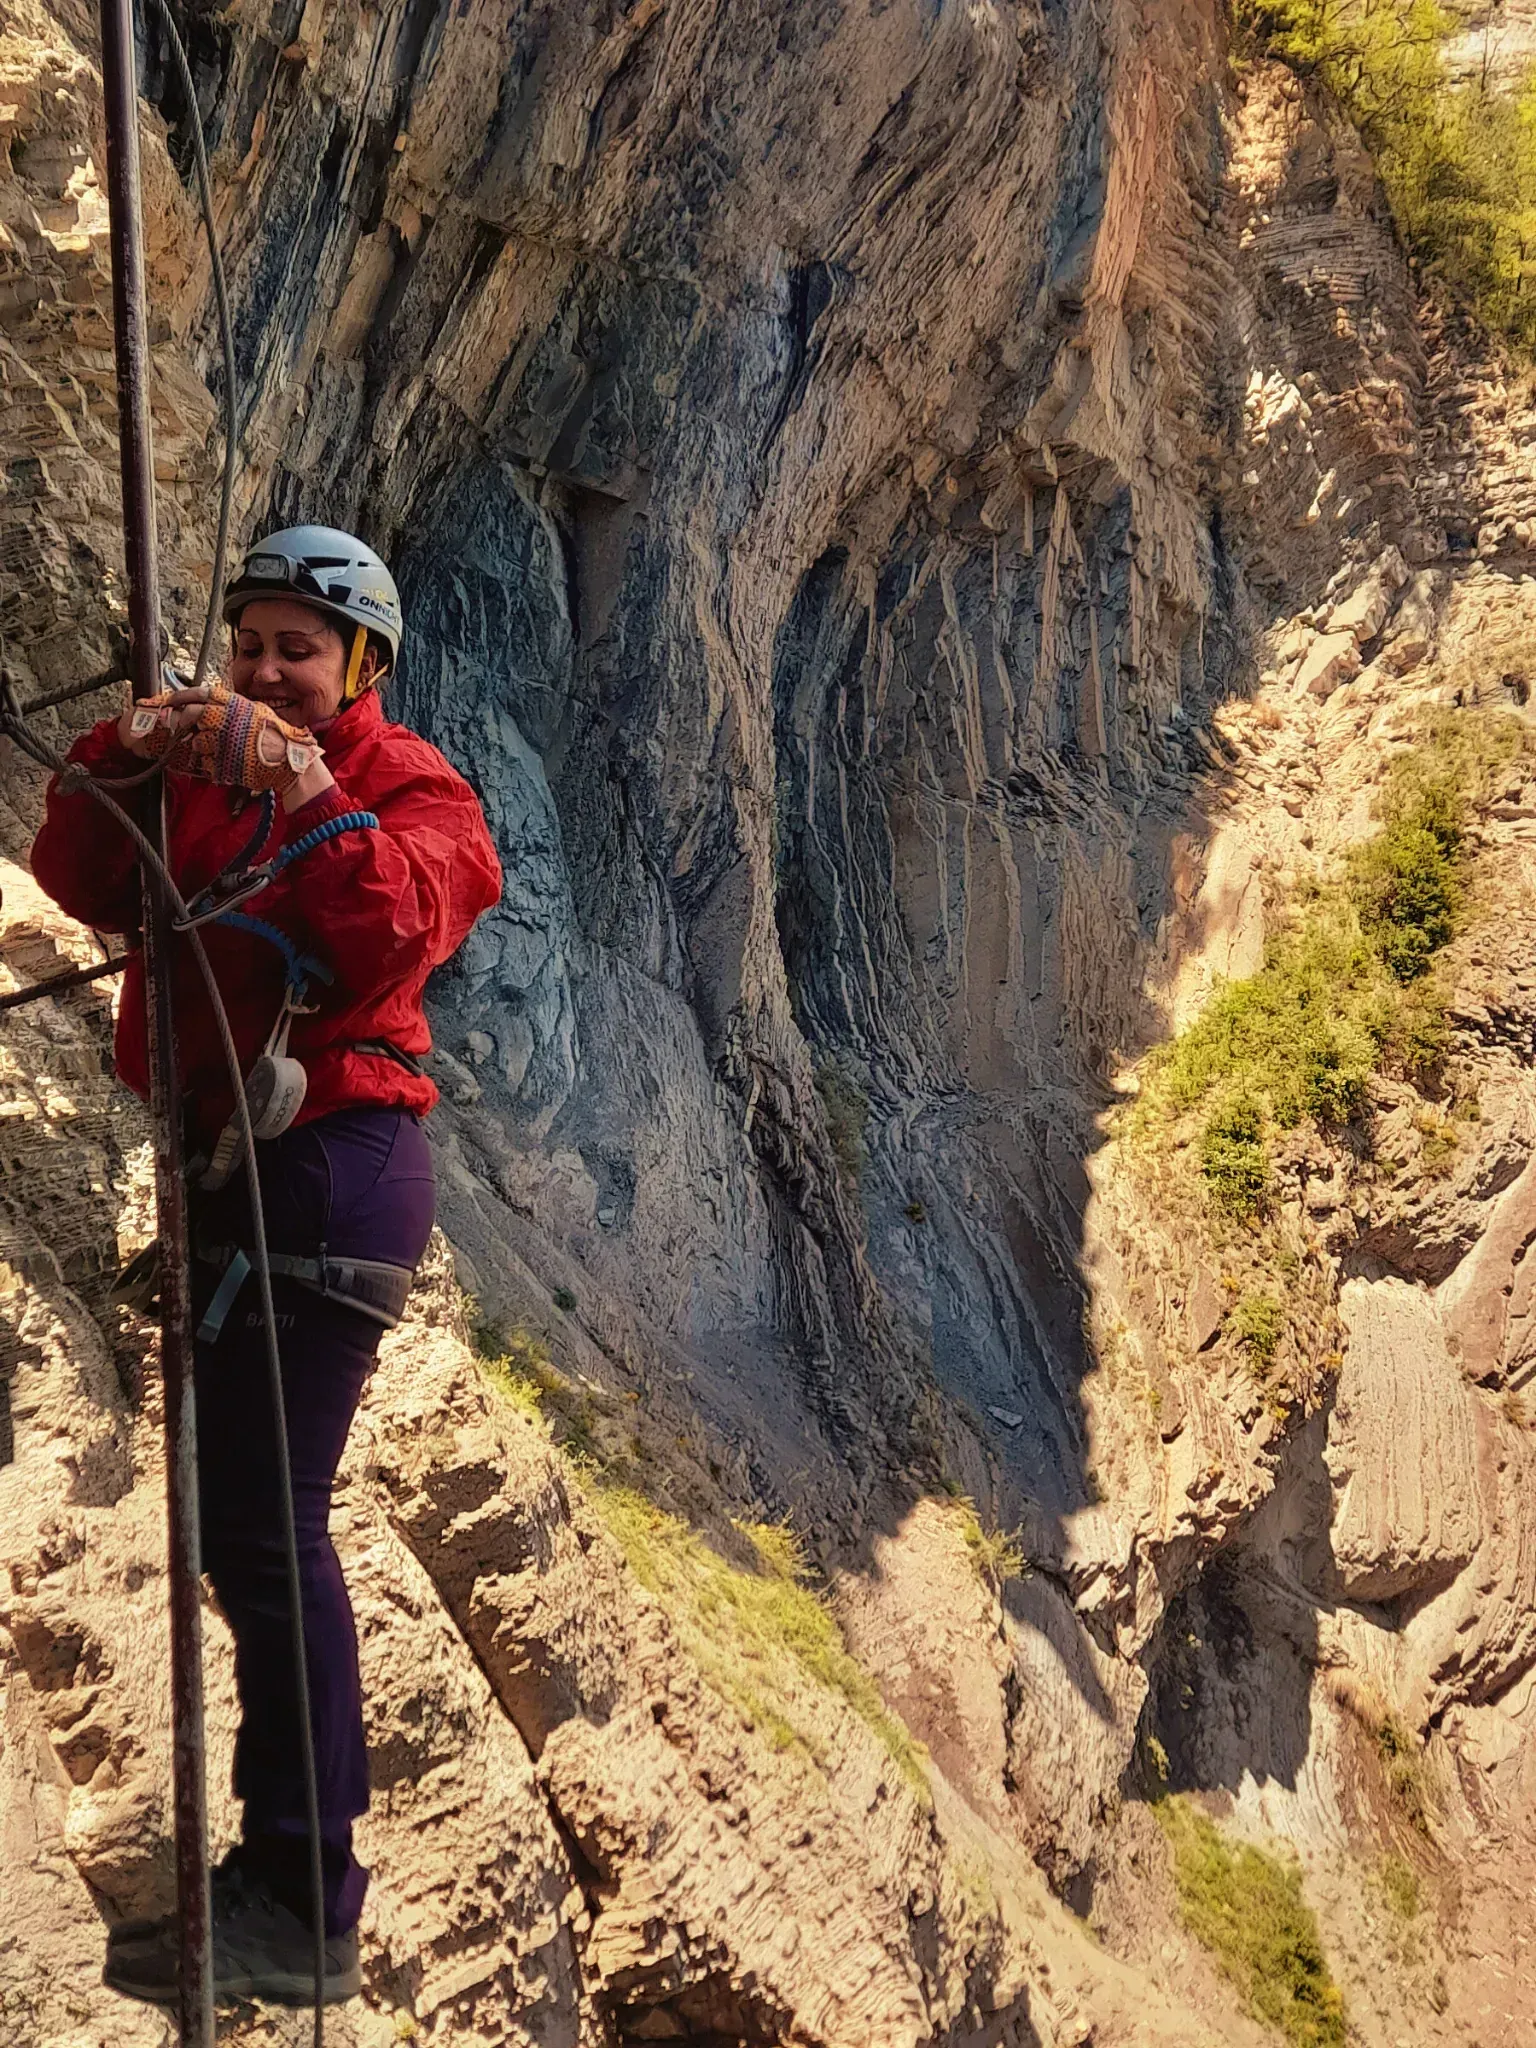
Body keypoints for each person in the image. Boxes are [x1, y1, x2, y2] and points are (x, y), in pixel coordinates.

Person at [30, 525, 502, 2005]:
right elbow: (81, 876)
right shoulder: (202, 775)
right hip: (247, 1162)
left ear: (361, 666)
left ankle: (307, 1896)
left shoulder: (410, 788)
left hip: (334, 1169)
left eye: (299, 647)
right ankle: (280, 1878)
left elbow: (390, 934)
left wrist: (297, 780)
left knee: (266, 1529)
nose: (266, 668)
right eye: (250, 644)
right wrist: (131, 745)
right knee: (241, 1525)